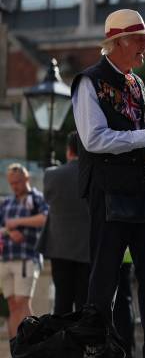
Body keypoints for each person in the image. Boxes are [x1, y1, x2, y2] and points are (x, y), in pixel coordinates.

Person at [71, 8, 145, 358]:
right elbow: (94, 139)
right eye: (139, 39)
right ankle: (95, 349)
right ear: (117, 41)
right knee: (104, 276)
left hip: (142, 186)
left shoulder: (137, 83)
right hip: (108, 189)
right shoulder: (88, 81)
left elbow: (138, 141)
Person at [38, 131, 90, 315]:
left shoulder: (51, 175)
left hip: (59, 246)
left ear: (69, 151)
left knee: (62, 300)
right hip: (88, 248)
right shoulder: (94, 174)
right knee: (84, 302)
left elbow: (48, 199)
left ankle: (62, 342)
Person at [0, 164, 47, 340]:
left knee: (22, 303)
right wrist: (9, 231)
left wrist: (19, 222)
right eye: (11, 183)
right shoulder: (7, 202)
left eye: (18, 182)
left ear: (26, 179)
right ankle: (16, 351)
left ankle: (32, 347)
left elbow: (45, 218)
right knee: (12, 305)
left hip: (27, 258)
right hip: (6, 258)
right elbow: (2, 227)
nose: (14, 186)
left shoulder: (36, 198)